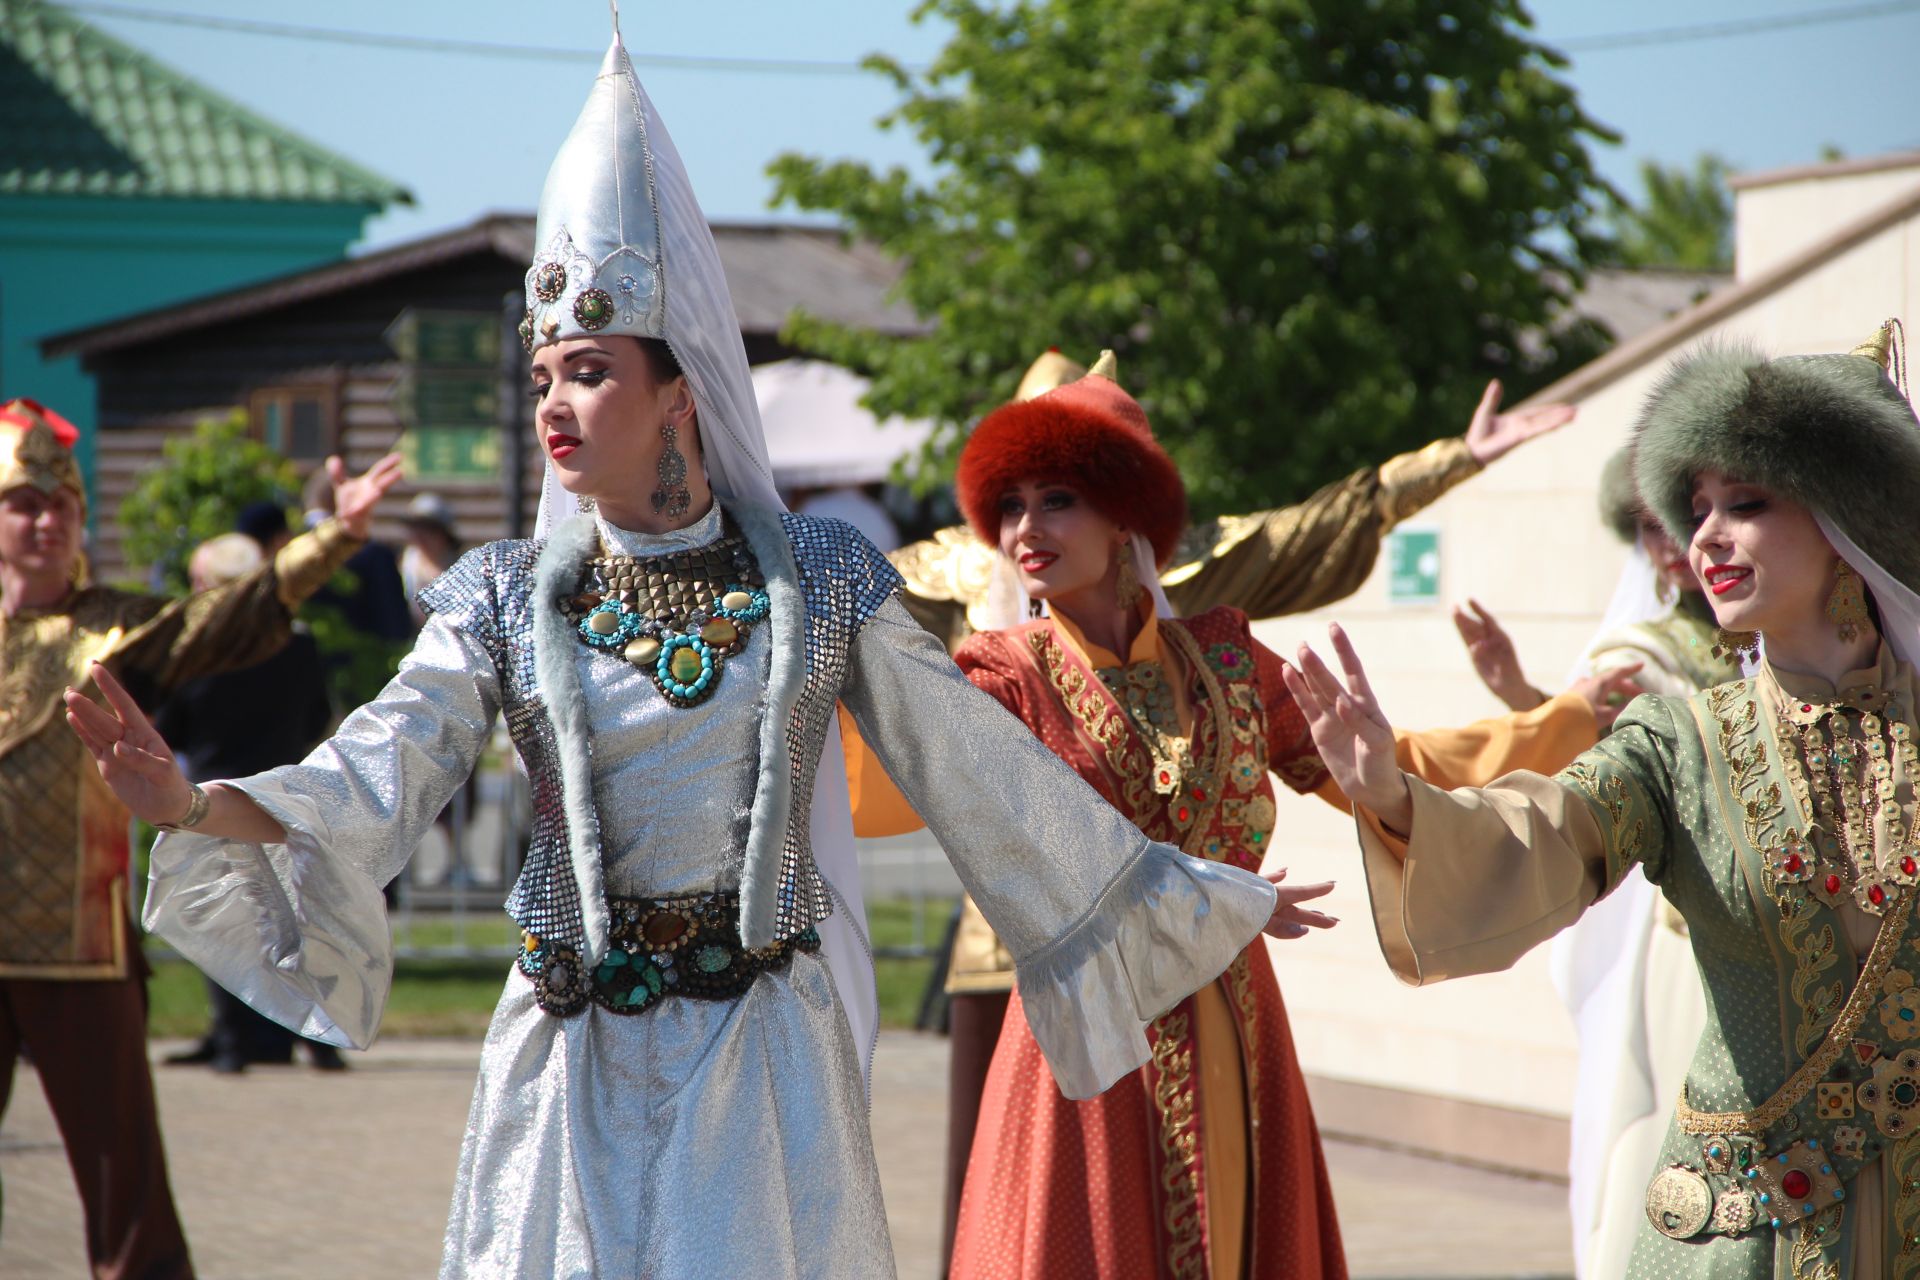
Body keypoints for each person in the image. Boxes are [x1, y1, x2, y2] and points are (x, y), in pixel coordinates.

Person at [67, 25, 1326, 1278]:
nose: (557, 403)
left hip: (761, 1059)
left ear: (682, 394)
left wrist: (1196, 894)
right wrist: (193, 800)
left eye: (593, 371)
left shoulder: (821, 580)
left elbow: (978, 767)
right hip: (566, 1061)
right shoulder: (504, 597)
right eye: (546, 373)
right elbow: (375, 770)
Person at [887, 356, 1633, 1279]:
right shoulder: (999, 678)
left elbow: (1390, 767)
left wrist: (1563, 718)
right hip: (1088, 1043)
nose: (1025, 528)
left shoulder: (1226, 660)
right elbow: (1026, 851)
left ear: (1126, 516)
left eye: (1058, 499)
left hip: (1236, 1030)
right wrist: (1216, 901)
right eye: (1010, 506)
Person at [1285, 322, 1920, 1276]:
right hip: (1744, 1236)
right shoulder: (1681, 742)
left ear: (1848, 519)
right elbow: (1550, 827)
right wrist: (1395, 794)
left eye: (1744, 502)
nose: (1704, 535)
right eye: (1693, 507)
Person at [0, 395, 396, 1280]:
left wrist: (327, 540)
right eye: (22, 503)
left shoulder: (117, 630)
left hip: (77, 942)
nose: (42, 520)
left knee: (123, 1183)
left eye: (59, 504)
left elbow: (227, 616)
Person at [1453, 450, 1739, 1278]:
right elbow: (1590, 752)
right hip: (1692, 927)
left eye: (1673, 524)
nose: (1666, 546)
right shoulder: (1638, 647)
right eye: (1647, 528)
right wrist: (1519, 695)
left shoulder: (1767, 632)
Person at [157, 532, 341, 1075]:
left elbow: (173, 726)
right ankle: (318, 1042)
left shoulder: (196, 650)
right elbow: (316, 717)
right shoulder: (298, 642)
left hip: (209, 800)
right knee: (293, 922)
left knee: (223, 918)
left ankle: (235, 1045)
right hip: (280, 796)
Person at [401, 491, 463, 626]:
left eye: (428, 529)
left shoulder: (460, 569)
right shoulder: (405, 563)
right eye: (415, 528)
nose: (420, 536)